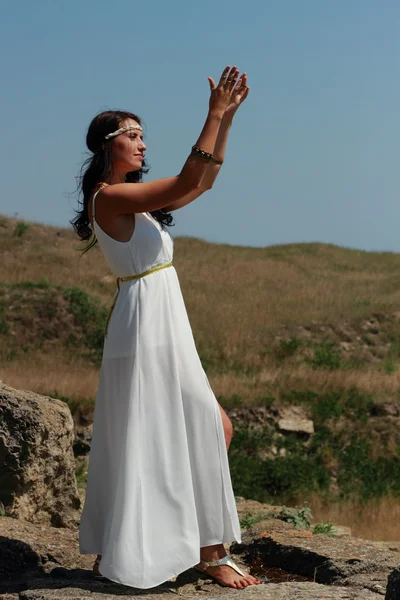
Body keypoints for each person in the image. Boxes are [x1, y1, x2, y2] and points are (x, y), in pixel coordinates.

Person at [72, 66, 259, 590]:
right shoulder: (110, 197)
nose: (142, 142)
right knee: (184, 429)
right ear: (107, 146)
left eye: (141, 134)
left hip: (162, 321)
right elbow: (182, 179)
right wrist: (212, 112)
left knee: (208, 426)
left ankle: (195, 547)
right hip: (144, 327)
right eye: (132, 134)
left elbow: (201, 182)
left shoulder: (143, 205)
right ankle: (203, 551)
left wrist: (226, 123)